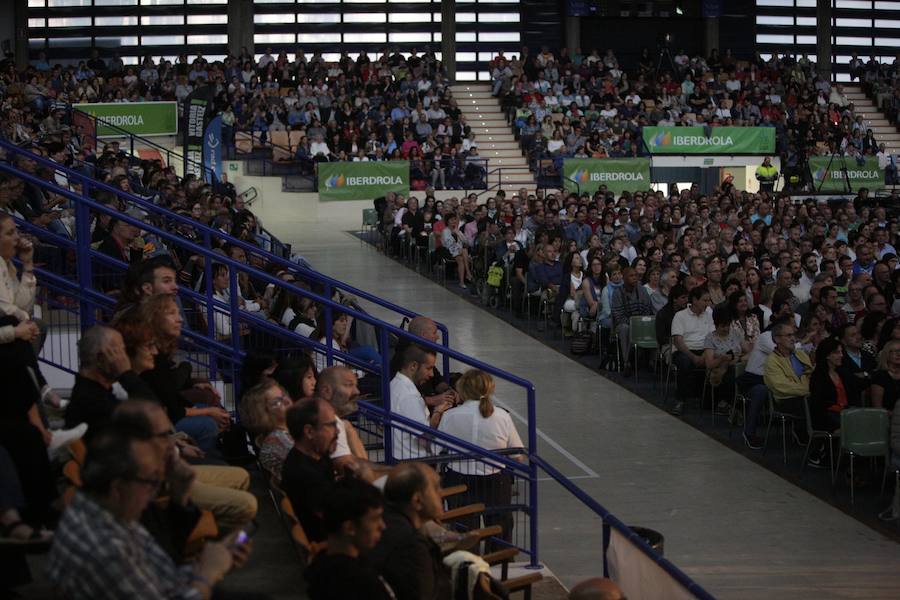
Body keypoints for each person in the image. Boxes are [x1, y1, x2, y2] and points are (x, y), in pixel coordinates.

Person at [46, 428, 251, 600]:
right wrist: (207, 574)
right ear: (118, 487)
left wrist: (210, 563)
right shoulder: (108, 549)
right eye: (150, 483)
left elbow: (162, 568)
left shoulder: (105, 509)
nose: (155, 491)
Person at [437, 369, 524, 550]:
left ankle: (468, 569)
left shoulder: (450, 416)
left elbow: (437, 448)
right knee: (500, 529)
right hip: (496, 481)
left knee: (464, 534)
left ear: (462, 390)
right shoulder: (502, 416)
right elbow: (518, 454)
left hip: (459, 481)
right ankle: (500, 567)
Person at [369, 462, 451, 600]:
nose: (441, 493)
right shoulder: (411, 547)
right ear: (417, 501)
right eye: (436, 488)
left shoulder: (385, 522)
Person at [304, 478, 394, 600]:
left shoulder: (322, 562)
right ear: (350, 528)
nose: (382, 526)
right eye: (375, 519)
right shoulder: (357, 582)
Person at [281, 398, 338, 543]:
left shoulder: (318, 458)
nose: (337, 432)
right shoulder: (304, 473)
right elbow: (334, 519)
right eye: (331, 425)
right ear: (310, 431)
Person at [389, 344, 452, 461]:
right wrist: (438, 412)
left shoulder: (394, 384)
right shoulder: (410, 397)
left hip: (401, 458)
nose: (432, 374)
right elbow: (425, 440)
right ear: (413, 366)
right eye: (428, 368)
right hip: (416, 463)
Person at [764, 321, 813, 442]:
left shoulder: (800, 354)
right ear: (777, 339)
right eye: (789, 335)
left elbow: (811, 374)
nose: (793, 339)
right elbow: (781, 386)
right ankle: (809, 436)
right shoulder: (771, 361)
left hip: (806, 394)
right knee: (811, 403)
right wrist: (807, 390)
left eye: (793, 335)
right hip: (785, 399)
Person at [669, 286, 714, 415]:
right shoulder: (680, 316)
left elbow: (712, 337)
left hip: (704, 349)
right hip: (684, 350)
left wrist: (706, 354)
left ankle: (711, 399)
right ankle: (680, 400)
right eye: (705, 300)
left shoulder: (709, 314)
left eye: (709, 300)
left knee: (718, 361)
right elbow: (678, 341)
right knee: (684, 362)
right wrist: (693, 357)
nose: (708, 304)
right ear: (694, 300)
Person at [807, 337, 849, 468]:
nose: (841, 355)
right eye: (837, 352)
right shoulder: (819, 376)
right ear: (827, 356)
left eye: (841, 352)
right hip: (827, 416)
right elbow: (818, 404)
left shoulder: (842, 373)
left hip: (845, 412)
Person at [610, 266, 654, 373]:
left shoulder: (642, 290)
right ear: (624, 278)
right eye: (631, 276)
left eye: (636, 276)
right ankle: (626, 362)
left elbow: (647, 309)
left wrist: (640, 323)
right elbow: (618, 316)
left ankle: (653, 361)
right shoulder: (617, 293)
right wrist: (634, 324)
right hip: (623, 324)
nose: (635, 278)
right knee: (625, 328)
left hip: (641, 323)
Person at [871, 339, 900, 412]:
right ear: (887, 354)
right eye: (893, 351)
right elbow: (878, 408)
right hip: (887, 417)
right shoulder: (879, 376)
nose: (898, 354)